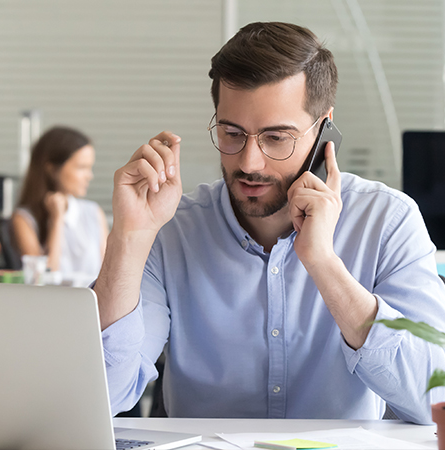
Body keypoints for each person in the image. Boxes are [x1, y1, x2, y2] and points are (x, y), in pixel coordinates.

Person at [94, 22, 445, 422]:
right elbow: (105, 396)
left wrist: (325, 265)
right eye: (232, 133)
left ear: (324, 128)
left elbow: (431, 398)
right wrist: (130, 237)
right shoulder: (173, 230)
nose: (248, 162)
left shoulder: (387, 221)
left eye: (276, 138)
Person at [11, 126, 109, 283]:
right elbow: (43, 278)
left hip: (93, 303)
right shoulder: (23, 218)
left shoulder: (94, 212)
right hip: (52, 304)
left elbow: (108, 271)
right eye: (81, 167)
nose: (89, 176)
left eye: (90, 168)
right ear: (52, 169)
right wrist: (57, 220)